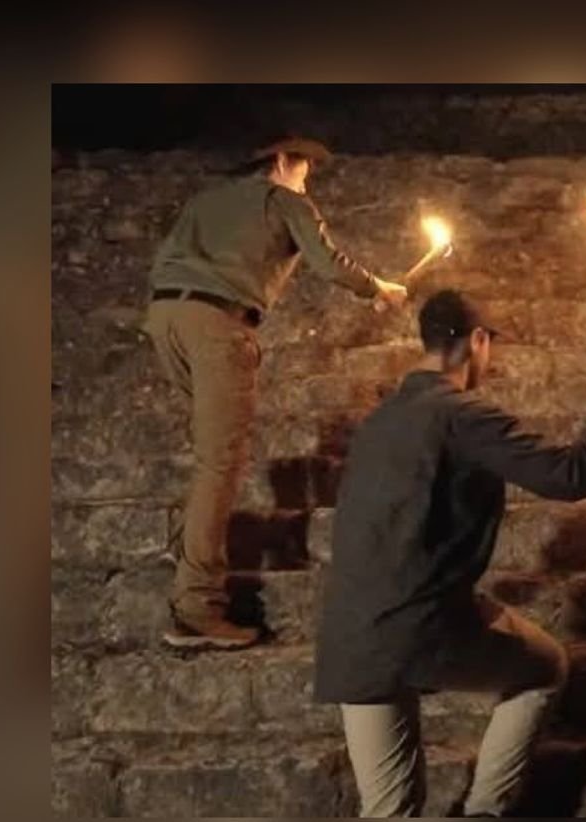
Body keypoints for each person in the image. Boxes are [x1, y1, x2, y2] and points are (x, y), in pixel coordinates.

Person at [313, 289, 586, 816]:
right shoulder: (460, 414)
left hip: (352, 637)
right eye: (491, 345)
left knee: (389, 811)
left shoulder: (379, 420)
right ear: (477, 340)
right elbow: (570, 475)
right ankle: (484, 810)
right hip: (418, 627)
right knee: (545, 667)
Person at [143, 135, 409, 649]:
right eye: (305, 167)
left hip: (166, 317)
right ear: (284, 161)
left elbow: (164, 258)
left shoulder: (207, 200)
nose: (308, 178)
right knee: (221, 462)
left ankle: (185, 546)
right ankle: (196, 608)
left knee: (212, 450)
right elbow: (328, 261)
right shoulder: (285, 200)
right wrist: (379, 288)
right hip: (219, 325)